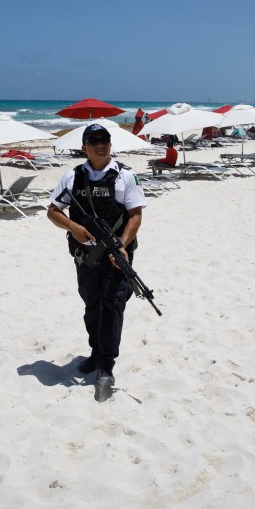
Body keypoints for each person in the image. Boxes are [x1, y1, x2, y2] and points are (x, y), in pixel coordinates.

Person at [47, 123, 147, 402]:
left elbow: (135, 216)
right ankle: (95, 352)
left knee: (112, 307)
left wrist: (121, 246)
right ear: (85, 147)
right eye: (94, 140)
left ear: (110, 145)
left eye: (104, 140)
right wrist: (73, 228)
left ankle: (106, 367)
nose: (100, 144)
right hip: (85, 256)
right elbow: (53, 211)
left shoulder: (125, 176)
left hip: (117, 256)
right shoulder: (72, 177)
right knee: (92, 306)